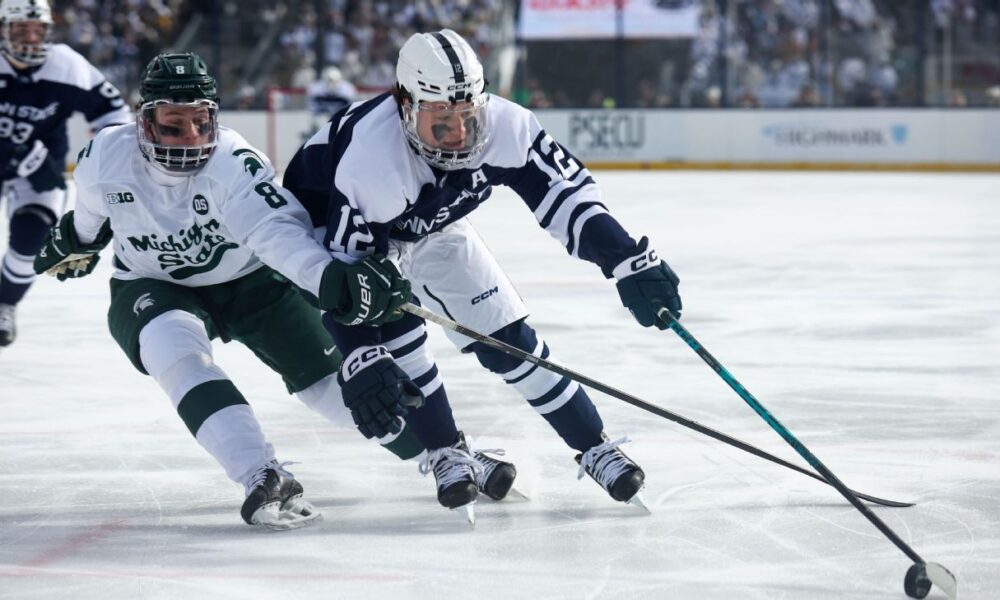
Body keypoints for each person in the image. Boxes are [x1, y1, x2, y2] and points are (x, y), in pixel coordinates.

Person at [31, 52, 481, 529]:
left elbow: (276, 233)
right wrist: (76, 240)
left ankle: (444, 451)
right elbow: (87, 220)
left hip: (251, 283)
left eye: (201, 122)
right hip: (152, 284)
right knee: (175, 353)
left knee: (334, 387)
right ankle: (259, 472)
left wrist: (331, 281)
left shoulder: (233, 163)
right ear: (144, 122)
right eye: (173, 125)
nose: (190, 139)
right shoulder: (106, 156)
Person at [283, 29, 682, 511]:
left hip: (433, 223)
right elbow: (349, 280)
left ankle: (592, 443)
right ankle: (446, 448)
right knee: (399, 345)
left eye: (467, 117)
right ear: (404, 105)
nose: (457, 135)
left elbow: (567, 198)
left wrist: (627, 260)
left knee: (510, 341)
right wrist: (361, 355)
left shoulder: (507, 126)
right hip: (344, 235)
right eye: (440, 121)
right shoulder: (371, 160)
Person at [0, 0, 131, 348]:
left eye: (37, 29)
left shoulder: (66, 64)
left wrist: (110, 158)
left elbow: (114, 114)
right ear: (3, 30)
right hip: (24, 157)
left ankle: (5, 304)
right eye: (20, 29)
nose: (30, 38)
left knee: (32, 240)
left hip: (39, 167)